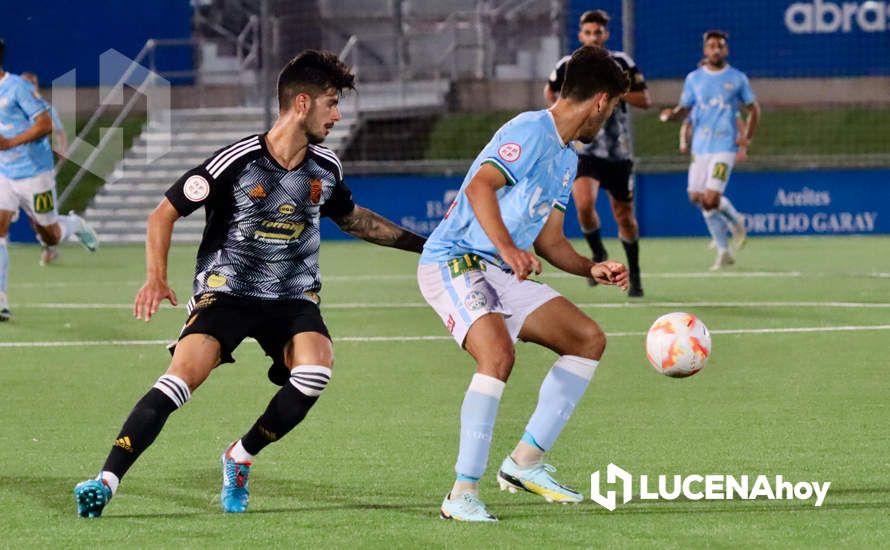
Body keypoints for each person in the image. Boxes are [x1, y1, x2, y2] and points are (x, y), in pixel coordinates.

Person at [72, 50, 426, 518]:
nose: (338, 115)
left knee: (316, 371)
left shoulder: (326, 167)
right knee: (180, 379)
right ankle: (106, 481)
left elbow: (356, 221)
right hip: (227, 292)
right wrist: (155, 278)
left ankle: (239, 456)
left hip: (292, 297)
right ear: (302, 103)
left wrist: (429, 245)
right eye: (331, 103)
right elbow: (164, 213)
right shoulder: (237, 161)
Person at [418, 45, 630, 522]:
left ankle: (525, 464)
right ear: (600, 101)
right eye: (613, 107)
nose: (610, 117)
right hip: (455, 259)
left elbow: (552, 242)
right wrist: (511, 249)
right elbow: (479, 187)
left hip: (499, 268)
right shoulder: (530, 129)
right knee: (498, 353)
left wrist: (590, 267)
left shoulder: (567, 158)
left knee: (587, 339)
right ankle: (461, 492)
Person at [544, 9, 649, 297]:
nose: (593, 37)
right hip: (585, 148)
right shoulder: (570, 64)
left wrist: (613, 88)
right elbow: (550, 91)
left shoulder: (622, 63)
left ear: (606, 35)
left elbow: (645, 99)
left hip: (618, 151)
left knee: (623, 216)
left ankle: (635, 272)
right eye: (588, 33)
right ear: (580, 35)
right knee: (584, 205)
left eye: (598, 32)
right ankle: (598, 253)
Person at [0, 39, 98, 320]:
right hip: (4, 173)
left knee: (49, 234)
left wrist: (10, 143)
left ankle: (74, 224)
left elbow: (44, 125)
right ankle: (1, 300)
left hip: (34, 174)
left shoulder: (17, 88)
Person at [660, 30, 759, 270]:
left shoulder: (737, 78)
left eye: (720, 46)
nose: (716, 50)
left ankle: (727, 238)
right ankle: (731, 232)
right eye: (712, 46)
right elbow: (685, 110)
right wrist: (671, 115)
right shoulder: (693, 78)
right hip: (700, 148)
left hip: (724, 146)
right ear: (705, 50)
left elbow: (753, 109)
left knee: (711, 198)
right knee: (697, 198)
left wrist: (746, 139)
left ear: (726, 50)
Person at [21, 71, 69, 266]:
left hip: (40, 169)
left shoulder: (45, 109)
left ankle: (52, 244)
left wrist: (62, 150)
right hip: (17, 170)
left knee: (45, 213)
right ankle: (48, 244)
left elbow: (59, 133)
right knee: (32, 215)